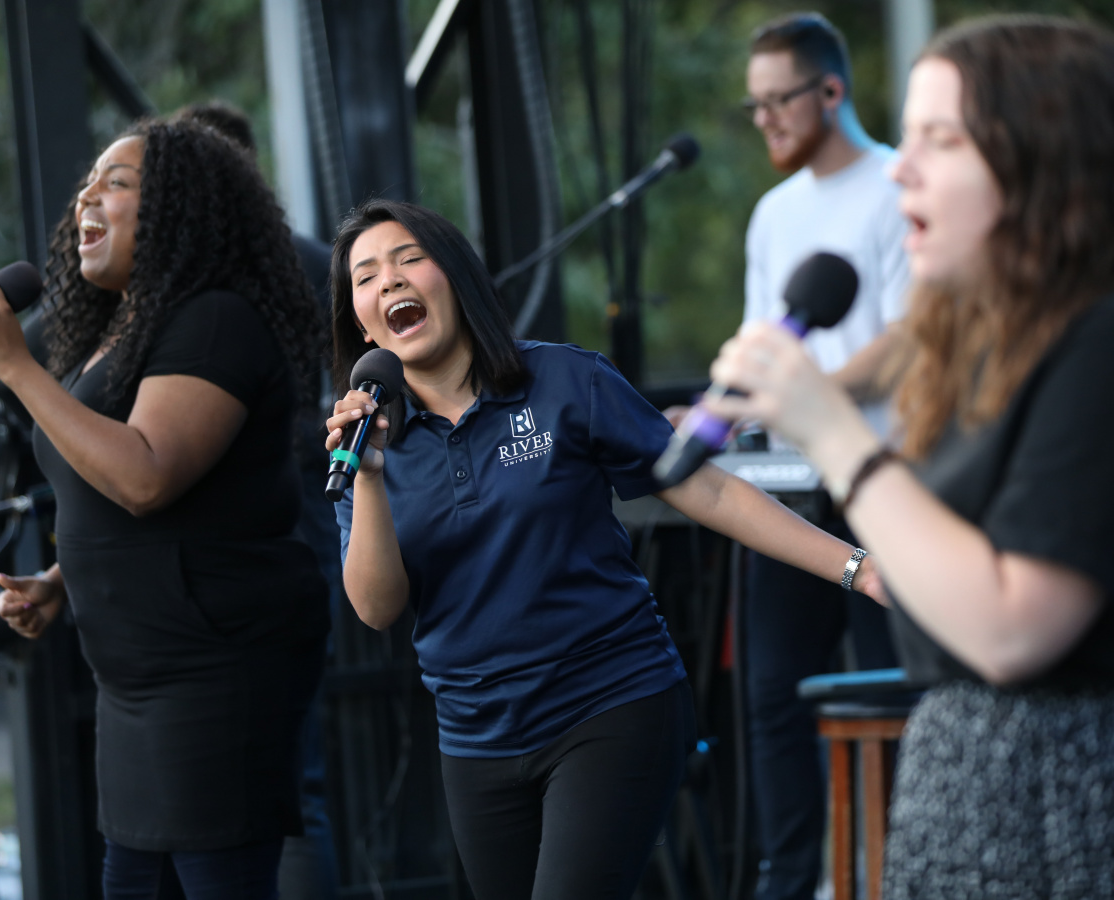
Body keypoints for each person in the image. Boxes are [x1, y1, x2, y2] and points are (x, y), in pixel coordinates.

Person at [707, 15, 1114, 898]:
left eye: (942, 139)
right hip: (968, 794)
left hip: (1083, 812)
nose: (901, 168)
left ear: (1041, 157)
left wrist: (836, 435)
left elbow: (1012, 629)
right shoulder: (993, 346)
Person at [323, 199, 887, 900]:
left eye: (410, 259)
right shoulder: (364, 446)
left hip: (611, 703)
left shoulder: (563, 380)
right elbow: (376, 609)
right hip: (476, 740)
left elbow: (708, 490)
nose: (390, 281)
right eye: (367, 277)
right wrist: (370, 476)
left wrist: (858, 568)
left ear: (456, 277)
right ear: (361, 322)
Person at [0, 118, 331, 900]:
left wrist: (18, 368)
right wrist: (63, 580)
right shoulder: (126, 330)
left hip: (211, 671)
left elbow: (148, 475)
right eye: (87, 183)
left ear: (178, 211)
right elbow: (130, 491)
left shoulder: (216, 318)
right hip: (135, 680)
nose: (86, 197)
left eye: (116, 183)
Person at [736, 13, 909, 898]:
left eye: (778, 100)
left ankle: (907, 872)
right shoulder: (773, 214)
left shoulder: (897, 187)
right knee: (774, 694)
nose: (763, 118)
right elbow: (765, 344)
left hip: (890, 485)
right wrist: (727, 406)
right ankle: (791, 880)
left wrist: (808, 396)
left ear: (831, 92)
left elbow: (911, 341)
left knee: (896, 693)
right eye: (754, 104)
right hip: (794, 488)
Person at [168, 98, 343, 900]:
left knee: (280, 783)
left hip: (273, 539)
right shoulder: (310, 264)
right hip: (284, 536)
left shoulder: (287, 271)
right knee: (286, 780)